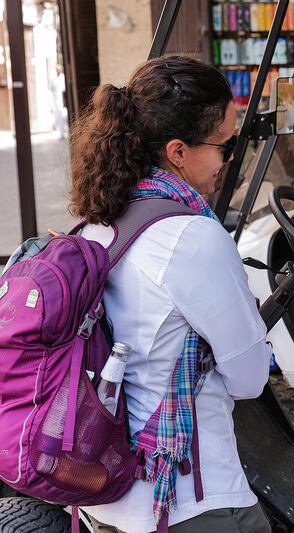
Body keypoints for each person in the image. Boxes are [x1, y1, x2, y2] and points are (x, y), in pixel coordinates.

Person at [70, 55, 272, 533]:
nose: (228, 160)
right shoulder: (193, 237)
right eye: (224, 145)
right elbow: (250, 378)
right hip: (184, 497)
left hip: (105, 486)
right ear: (179, 151)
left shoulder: (100, 218)